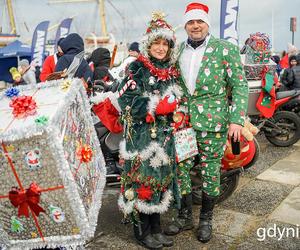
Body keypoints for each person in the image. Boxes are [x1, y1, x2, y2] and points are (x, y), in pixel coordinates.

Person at [165, 2, 248, 243]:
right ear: (186, 26)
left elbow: (240, 86)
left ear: (206, 24)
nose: (195, 26)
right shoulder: (178, 51)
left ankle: (206, 219)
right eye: (190, 22)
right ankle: (184, 216)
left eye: (199, 21)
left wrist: (236, 120)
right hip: (184, 122)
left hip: (214, 122)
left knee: (210, 171)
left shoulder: (225, 49)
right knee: (182, 169)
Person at [117, 12, 182, 249]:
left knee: (160, 181)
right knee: (141, 182)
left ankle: (156, 228)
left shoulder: (171, 69)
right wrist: (154, 106)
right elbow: (125, 101)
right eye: (157, 42)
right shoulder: (136, 68)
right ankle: (142, 232)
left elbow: (176, 95)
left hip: (164, 138)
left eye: (165, 43)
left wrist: (176, 103)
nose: (161, 48)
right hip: (141, 137)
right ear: (149, 44)